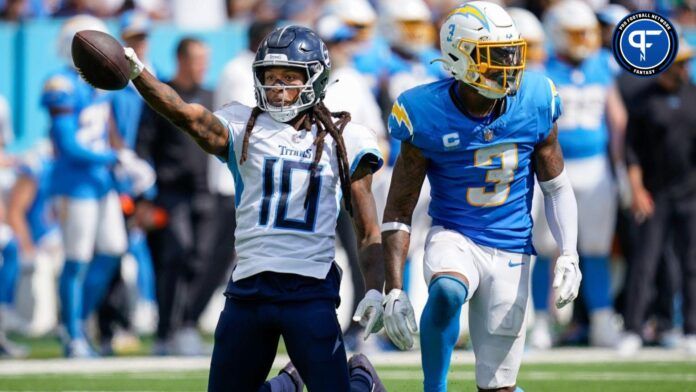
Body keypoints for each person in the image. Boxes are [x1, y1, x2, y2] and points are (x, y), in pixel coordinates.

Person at [120, 24, 387, 391]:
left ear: (316, 79)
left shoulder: (345, 137)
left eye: (289, 77)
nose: (277, 88)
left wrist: (376, 288)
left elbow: (368, 228)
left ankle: (362, 382)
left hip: (309, 291)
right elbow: (185, 114)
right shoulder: (242, 125)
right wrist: (138, 74)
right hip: (249, 288)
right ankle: (285, 387)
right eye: (270, 77)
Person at [380, 2, 580, 391]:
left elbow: (556, 186)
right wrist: (394, 288)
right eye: (494, 56)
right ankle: (433, 387)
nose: (508, 65)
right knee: (448, 288)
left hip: (512, 247)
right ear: (460, 56)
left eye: (511, 53)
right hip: (454, 234)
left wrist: (568, 251)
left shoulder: (536, 97)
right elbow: (399, 209)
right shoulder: (424, 110)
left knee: (498, 387)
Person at [41, 15, 145, 357]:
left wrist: (125, 157)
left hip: (102, 185)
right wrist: (112, 159)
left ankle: (78, 321)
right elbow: (68, 143)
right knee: (76, 259)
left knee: (114, 250)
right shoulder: (60, 83)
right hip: (75, 184)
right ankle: (72, 334)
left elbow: (108, 128)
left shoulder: (99, 82)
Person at [531, 0, 626, 348]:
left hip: (596, 165)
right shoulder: (543, 70)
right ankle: (541, 321)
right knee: (543, 247)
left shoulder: (602, 65)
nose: (582, 39)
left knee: (596, 248)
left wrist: (622, 170)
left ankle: (602, 321)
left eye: (585, 32)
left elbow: (617, 120)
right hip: (553, 172)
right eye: (574, 33)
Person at [135, 37, 218, 356]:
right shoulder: (162, 97)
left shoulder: (211, 96)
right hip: (171, 192)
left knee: (203, 258)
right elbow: (142, 146)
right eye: (197, 59)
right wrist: (143, 196)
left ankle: (186, 324)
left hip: (206, 190)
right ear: (181, 60)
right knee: (176, 255)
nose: (202, 67)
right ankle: (166, 331)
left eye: (205, 60)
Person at [618, 40, 696, 357]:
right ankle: (633, 328)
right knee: (644, 262)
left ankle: (691, 328)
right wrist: (637, 190)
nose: (684, 69)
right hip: (654, 194)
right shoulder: (643, 101)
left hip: (691, 194)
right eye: (679, 63)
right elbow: (631, 151)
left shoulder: (693, 97)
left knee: (692, 263)